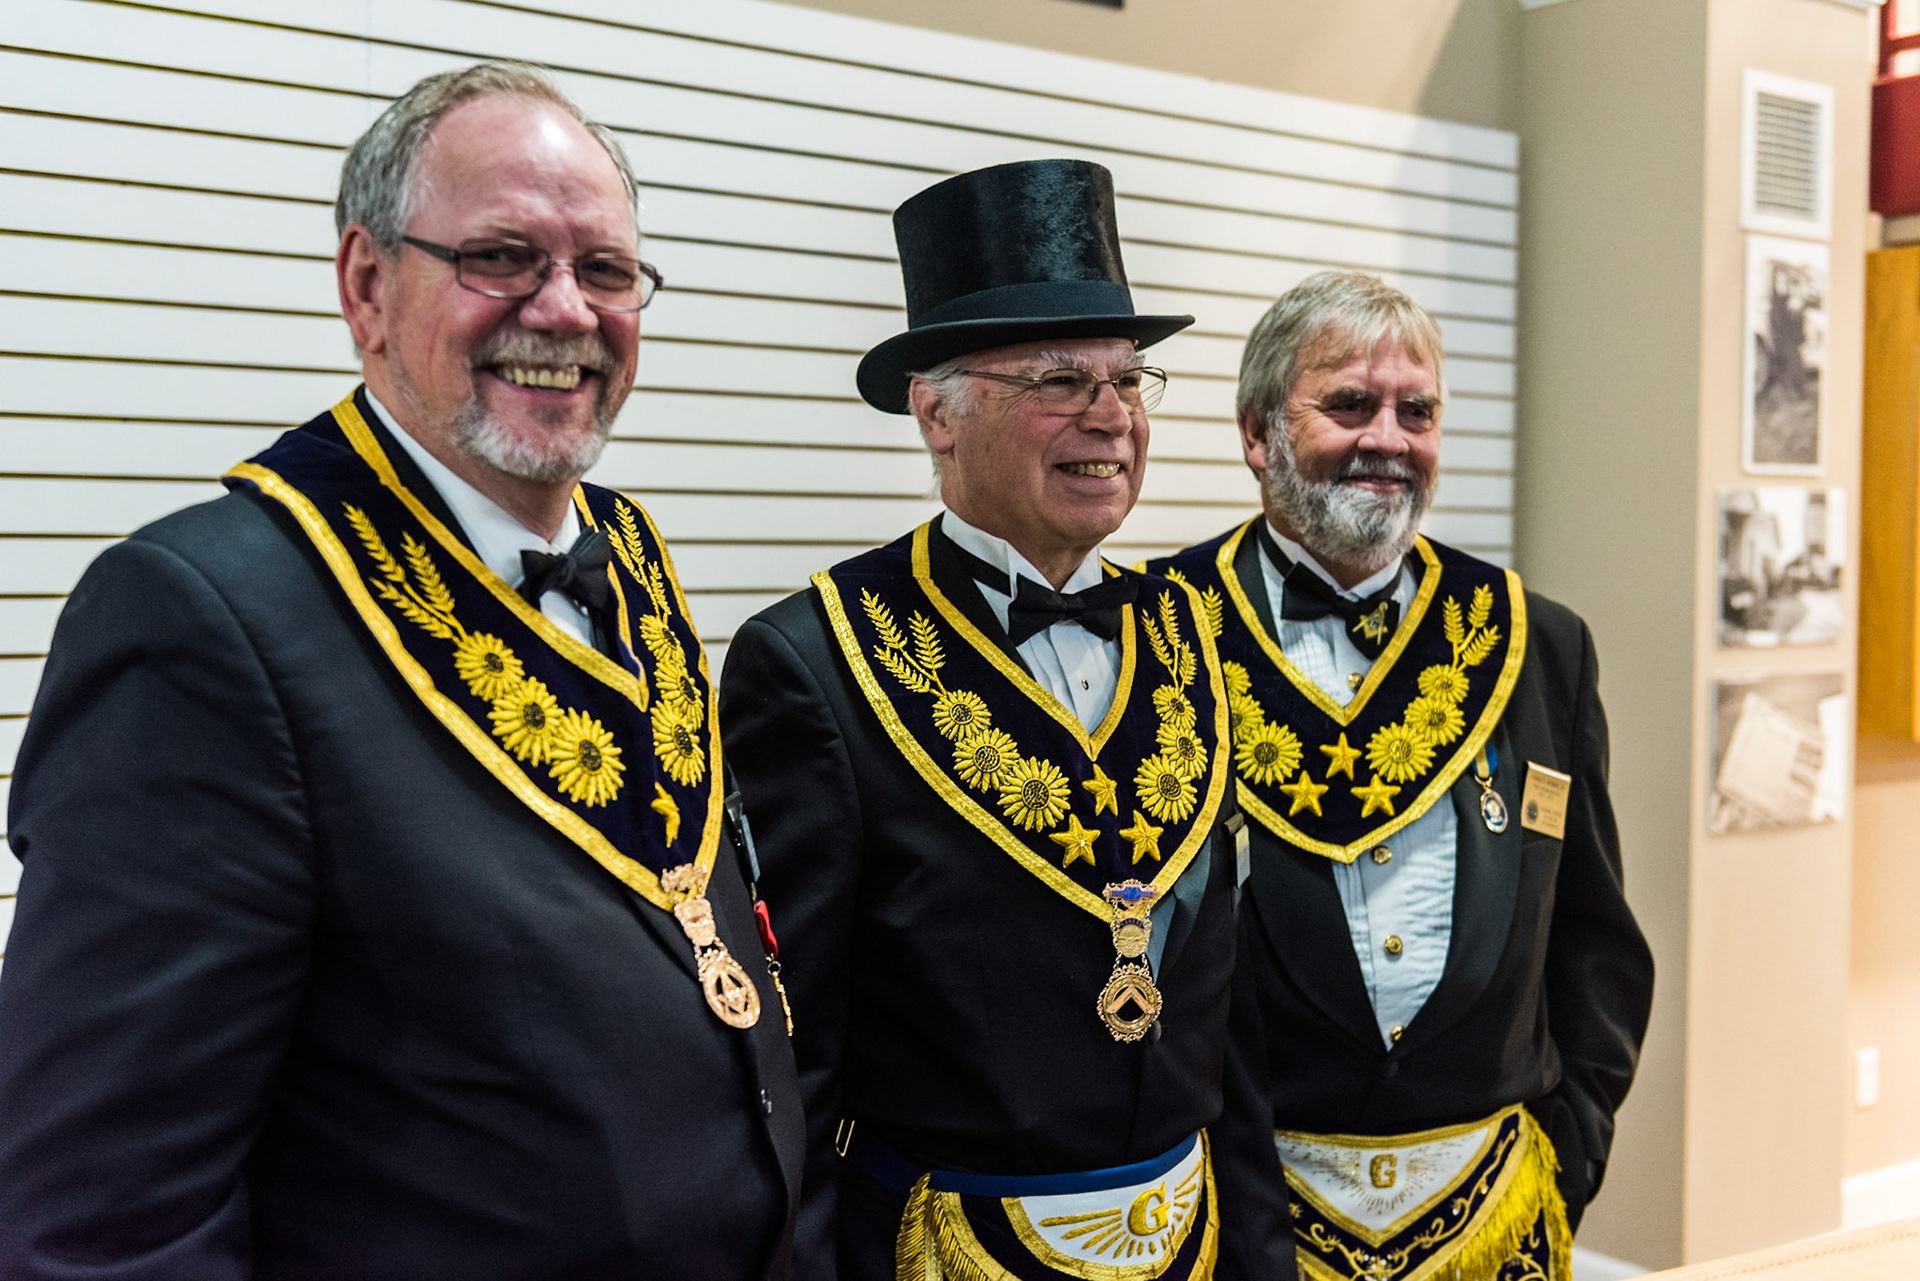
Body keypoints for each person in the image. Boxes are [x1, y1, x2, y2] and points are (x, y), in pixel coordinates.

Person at [0, 61, 802, 1278]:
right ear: (367, 286)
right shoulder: (200, 620)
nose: (564, 312)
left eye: (604, 269)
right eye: (500, 257)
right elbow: (111, 1218)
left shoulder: (626, 553)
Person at [718, 159, 1293, 1281]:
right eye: (1059, 381)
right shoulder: (815, 658)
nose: (1112, 419)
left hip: (1194, 1239)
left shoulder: (1192, 625)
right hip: (944, 1248)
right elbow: (798, 1056)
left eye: (1129, 381)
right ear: (938, 413)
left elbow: (1232, 1016)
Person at [1147, 270, 1654, 1281]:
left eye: (1416, 411)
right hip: (1244, 1224)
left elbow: (1595, 942)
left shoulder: (1536, 641)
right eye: (1348, 404)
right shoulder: (1155, 632)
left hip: (1496, 1222)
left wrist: (1569, 1156)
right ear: (1259, 433)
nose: (1389, 437)